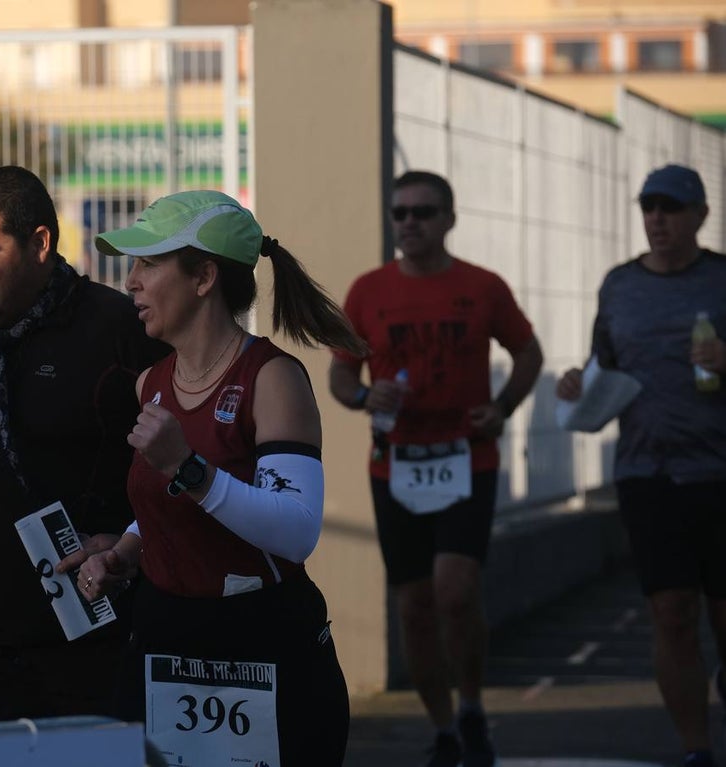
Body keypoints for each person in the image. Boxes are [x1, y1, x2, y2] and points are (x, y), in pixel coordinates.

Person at [66, 190, 358, 765]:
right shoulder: (151, 383)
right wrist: (126, 550)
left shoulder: (272, 378)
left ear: (204, 277)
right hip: (166, 641)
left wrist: (187, 467)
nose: (131, 282)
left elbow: (296, 531)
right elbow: (165, 506)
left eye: (149, 263)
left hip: (263, 646)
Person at [0, 165, 168, 724]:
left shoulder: (117, 329)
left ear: (40, 243)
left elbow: (175, 471)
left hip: (99, 637)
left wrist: (131, 543)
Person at [328, 170, 543, 767]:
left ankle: (472, 702)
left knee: (456, 589)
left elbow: (528, 351)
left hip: (466, 458)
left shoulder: (482, 287)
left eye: (423, 212)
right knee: (415, 604)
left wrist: (502, 408)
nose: (410, 223)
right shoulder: (369, 291)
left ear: (449, 219)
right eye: (400, 214)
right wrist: (361, 398)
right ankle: (446, 726)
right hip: (395, 465)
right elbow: (342, 372)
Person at [556, 164, 726, 767]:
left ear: (701, 215)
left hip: (719, 473)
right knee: (671, 613)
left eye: (671, 207)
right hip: (647, 474)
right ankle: (696, 750)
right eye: (648, 207)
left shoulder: (720, 279)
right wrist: (580, 383)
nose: (657, 218)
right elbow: (604, 364)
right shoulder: (620, 285)